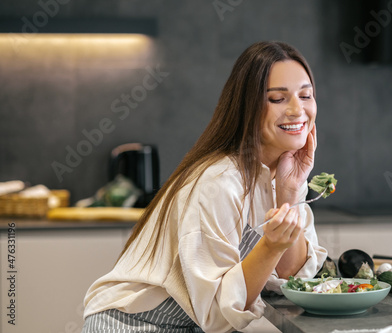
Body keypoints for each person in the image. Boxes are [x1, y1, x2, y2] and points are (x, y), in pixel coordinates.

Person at [81, 41, 328, 333]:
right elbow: (216, 314)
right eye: (277, 98)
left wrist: (288, 193)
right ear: (247, 106)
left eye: (306, 95)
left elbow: (292, 277)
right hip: (132, 325)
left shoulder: (284, 175)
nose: (297, 110)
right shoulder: (219, 181)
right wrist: (270, 246)